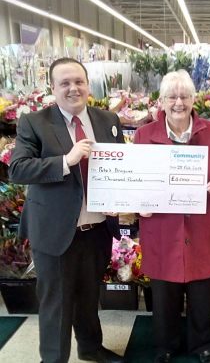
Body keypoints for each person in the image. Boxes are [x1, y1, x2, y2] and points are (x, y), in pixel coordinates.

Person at [9, 58, 125, 363]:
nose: (73, 88)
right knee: (56, 304)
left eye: (79, 81)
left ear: (88, 84)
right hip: (56, 231)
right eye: (65, 83)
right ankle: (53, 359)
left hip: (97, 229)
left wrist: (126, 200)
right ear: (53, 88)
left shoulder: (107, 120)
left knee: (88, 297)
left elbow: (122, 167)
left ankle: (90, 348)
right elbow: (18, 169)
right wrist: (66, 160)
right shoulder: (34, 122)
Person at [133, 70, 210, 363]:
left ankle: (201, 344)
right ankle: (165, 345)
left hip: (203, 225)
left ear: (194, 99)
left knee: (202, 292)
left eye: (184, 96)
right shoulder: (144, 135)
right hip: (162, 227)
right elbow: (135, 179)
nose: (178, 102)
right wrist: (138, 202)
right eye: (172, 97)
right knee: (164, 292)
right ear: (162, 101)